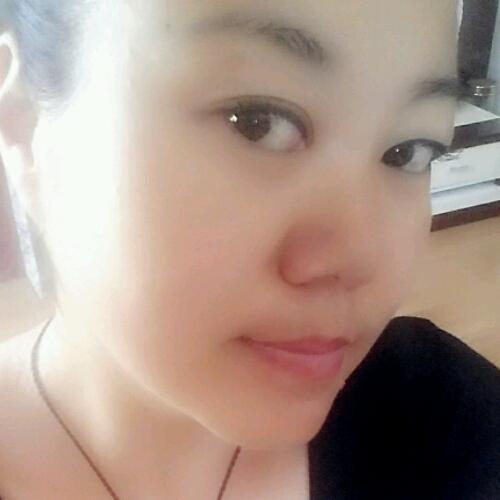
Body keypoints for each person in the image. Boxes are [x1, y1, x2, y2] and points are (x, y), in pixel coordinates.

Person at [0, 0, 498, 499]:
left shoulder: (438, 413)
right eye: (258, 121)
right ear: (24, 123)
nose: (359, 259)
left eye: (408, 152)